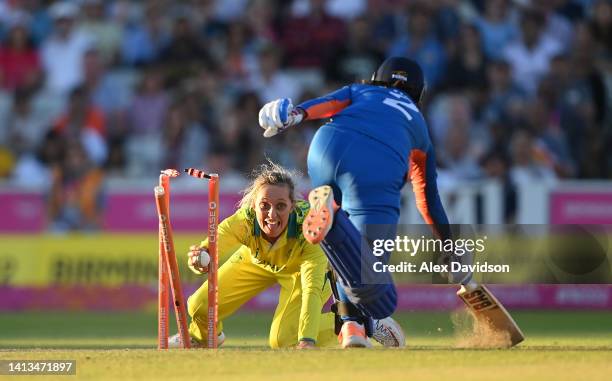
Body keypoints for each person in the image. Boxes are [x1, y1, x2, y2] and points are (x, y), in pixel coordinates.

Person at [258, 57, 452, 347]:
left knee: (344, 250)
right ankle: (359, 322)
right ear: (418, 93)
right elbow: (427, 200)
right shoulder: (419, 124)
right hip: (374, 166)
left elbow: (324, 105)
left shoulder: (362, 91)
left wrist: (295, 114)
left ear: (377, 78)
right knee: (369, 269)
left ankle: (352, 327)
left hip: (325, 148)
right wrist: (447, 244)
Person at [168, 161, 405, 349]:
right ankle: (203, 338)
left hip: (301, 270)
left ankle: (363, 323)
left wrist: (307, 340)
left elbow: (312, 289)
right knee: (198, 306)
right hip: (257, 261)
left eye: (280, 206)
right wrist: (199, 258)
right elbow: (211, 247)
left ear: (292, 206)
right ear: (253, 206)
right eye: (264, 206)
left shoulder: (309, 229)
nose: (271, 215)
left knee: (282, 340)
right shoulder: (243, 221)